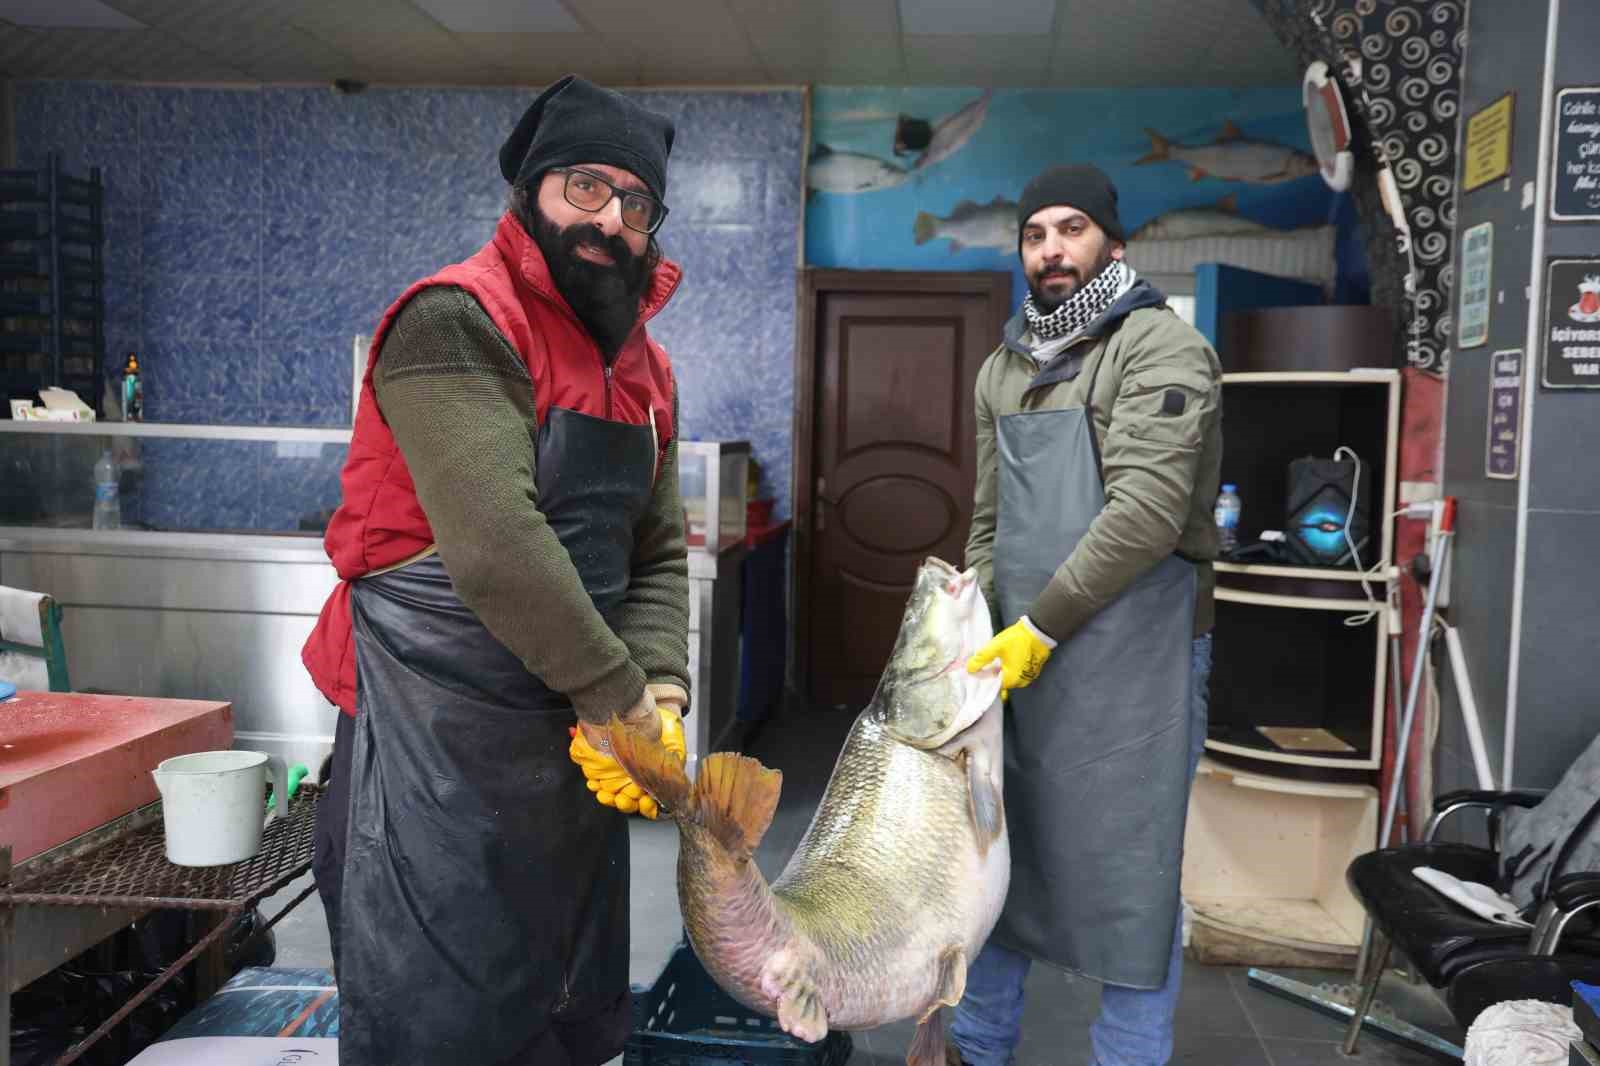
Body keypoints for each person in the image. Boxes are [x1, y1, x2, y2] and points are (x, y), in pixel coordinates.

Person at [300, 74, 691, 1066]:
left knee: (561, 1012)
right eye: (586, 187)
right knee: (440, 1027)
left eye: (636, 203)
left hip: (570, 753)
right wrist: (620, 700)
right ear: (531, 188)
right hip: (428, 745)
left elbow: (655, 550)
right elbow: (495, 546)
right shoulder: (455, 320)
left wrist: (661, 684)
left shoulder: (645, 370)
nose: (610, 220)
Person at [953, 164, 1223, 1066]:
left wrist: (1039, 626)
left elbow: (1146, 516)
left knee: (1131, 879)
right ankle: (975, 1049)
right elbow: (988, 522)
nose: (1051, 249)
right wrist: (979, 626)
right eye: (1034, 235)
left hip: (1138, 661)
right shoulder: (1003, 368)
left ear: (1114, 244)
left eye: (1071, 229)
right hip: (1021, 658)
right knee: (996, 852)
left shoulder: (1159, 348)